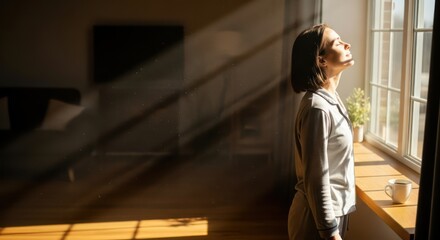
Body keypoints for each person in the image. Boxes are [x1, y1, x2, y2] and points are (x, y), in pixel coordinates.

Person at [287, 24, 356, 240]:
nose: (347, 44)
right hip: (316, 222)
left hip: (332, 216)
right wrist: (331, 233)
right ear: (321, 60)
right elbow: (316, 179)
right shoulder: (317, 108)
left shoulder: (332, 100)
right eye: (337, 42)